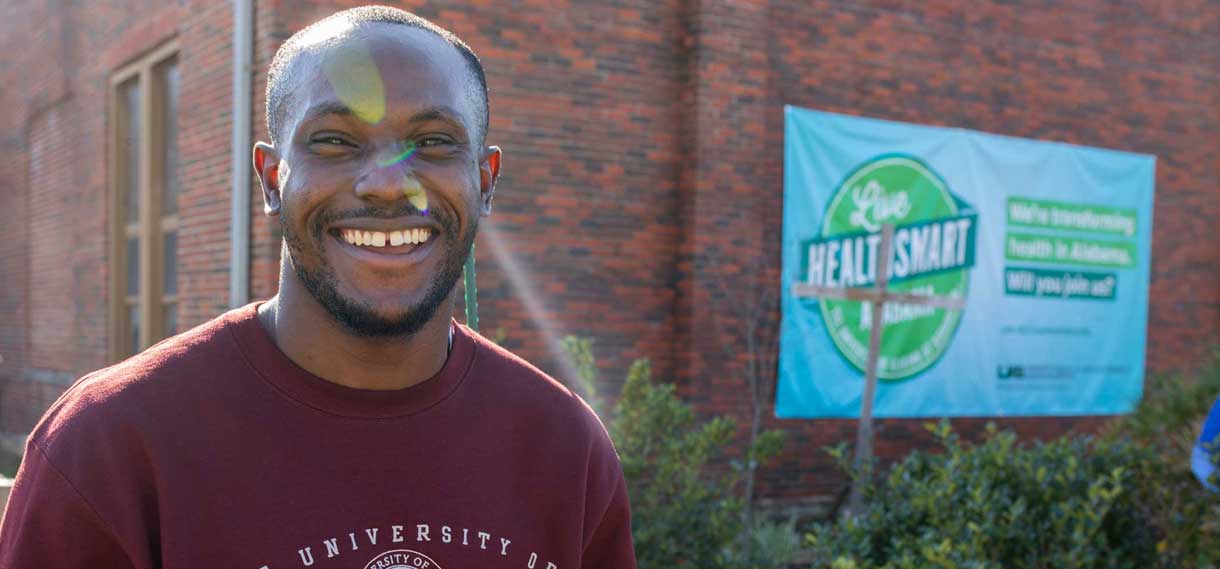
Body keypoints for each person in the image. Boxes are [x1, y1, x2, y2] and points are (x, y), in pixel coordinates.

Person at [0, 6, 636, 568]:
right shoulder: (111, 448)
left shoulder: (567, 451)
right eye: (334, 141)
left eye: (434, 142)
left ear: (485, 179)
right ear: (272, 178)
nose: (387, 184)